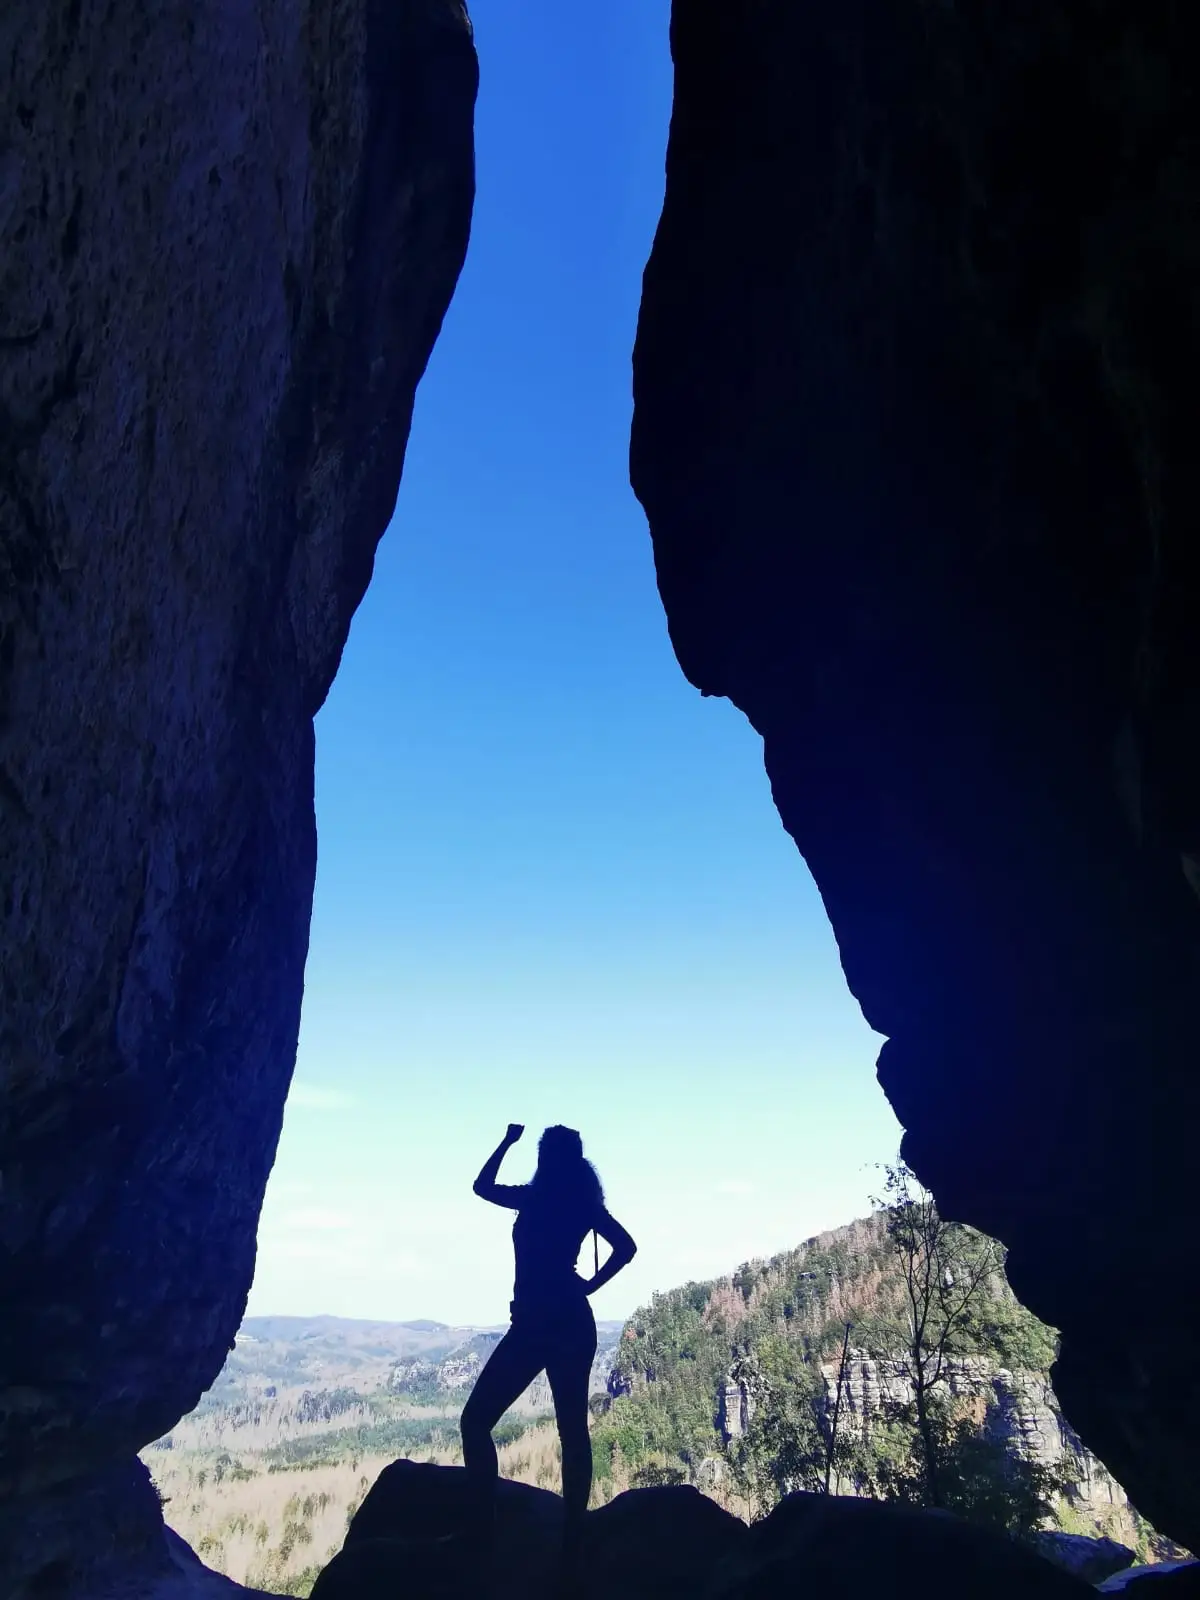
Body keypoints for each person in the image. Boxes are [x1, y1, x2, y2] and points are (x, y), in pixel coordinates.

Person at [460, 1123, 637, 1572]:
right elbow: (626, 1247)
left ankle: (482, 1530)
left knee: (477, 1421)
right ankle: (571, 1540)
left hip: (537, 1324)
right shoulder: (582, 1205)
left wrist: (506, 1141)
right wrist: (589, 1285)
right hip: (569, 1321)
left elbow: (483, 1186)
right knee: (572, 1432)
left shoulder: (534, 1198)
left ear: (545, 1159)